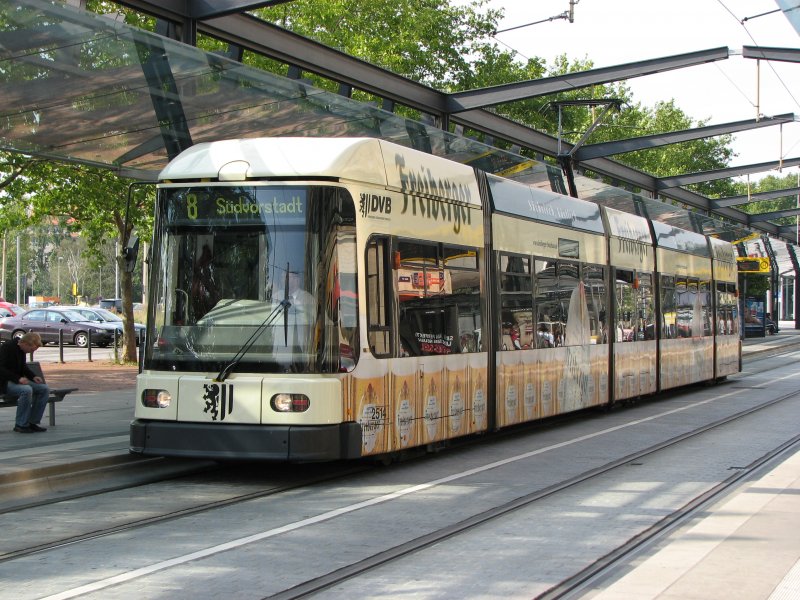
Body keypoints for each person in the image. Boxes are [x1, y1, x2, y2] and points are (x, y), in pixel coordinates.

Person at [0, 332, 50, 433]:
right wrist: (17, 379)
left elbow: (23, 366)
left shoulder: (22, 350)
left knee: (44, 389)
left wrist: (33, 376)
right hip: (4, 382)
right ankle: (21, 424)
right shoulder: (6, 347)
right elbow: (1, 369)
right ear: (26, 344)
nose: (31, 352)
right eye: (32, 350)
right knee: (26, 390)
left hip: (16, 380)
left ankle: (32, 422)